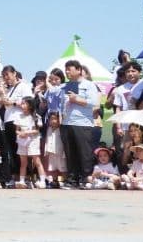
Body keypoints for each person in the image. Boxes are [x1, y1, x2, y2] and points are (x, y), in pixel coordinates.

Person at [59, 60, 100, 188]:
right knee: (70, 153)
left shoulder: (89, 85)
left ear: (79, 70)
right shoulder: (65, 86)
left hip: (83, 123)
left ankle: (85, 178)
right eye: (65, 70)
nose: (66, 72)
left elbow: (93, 103)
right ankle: (72, 179)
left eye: (69, 69)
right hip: (66, 122)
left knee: (84, 152)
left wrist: (76, 99)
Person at [0, 65, 31, 187]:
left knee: (21, 151)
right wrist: (3, 94)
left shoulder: (23, 86)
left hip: (20, 121)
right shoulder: (9, 89)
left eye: (8, 74)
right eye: (4, 75)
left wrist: (14, 102)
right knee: (12, 151)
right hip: (8, 121)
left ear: (14, 73)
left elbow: (29, 102)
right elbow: (5, 103)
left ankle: (25, 177)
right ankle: (16, 176)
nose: (6, 78)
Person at [14, 97, 46, 189]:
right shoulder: (19, 116)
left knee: (36, 161)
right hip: (22, 141)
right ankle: (22, 181)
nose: (22, 105)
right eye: (22, 103)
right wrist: (20, 133)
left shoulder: (36, 117)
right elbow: (16, 130)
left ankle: (42, 181)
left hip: (33, 140)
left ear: (30, 105)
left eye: (24, 103)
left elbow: (37, 130)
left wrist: (27, 133)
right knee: (23, 162)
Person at [43, 112, 67, 188]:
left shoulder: (61, 129)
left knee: (62, 168)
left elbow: (64, 142)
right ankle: (54, 181)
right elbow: (47, 140)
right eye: (51, 119)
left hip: (60, 152)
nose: (53, 121)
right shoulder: (48, 129)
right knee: (53, 168)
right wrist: (46, 150)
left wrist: (64, 152)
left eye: (55, 119)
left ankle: (65, 181)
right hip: (51, 152)